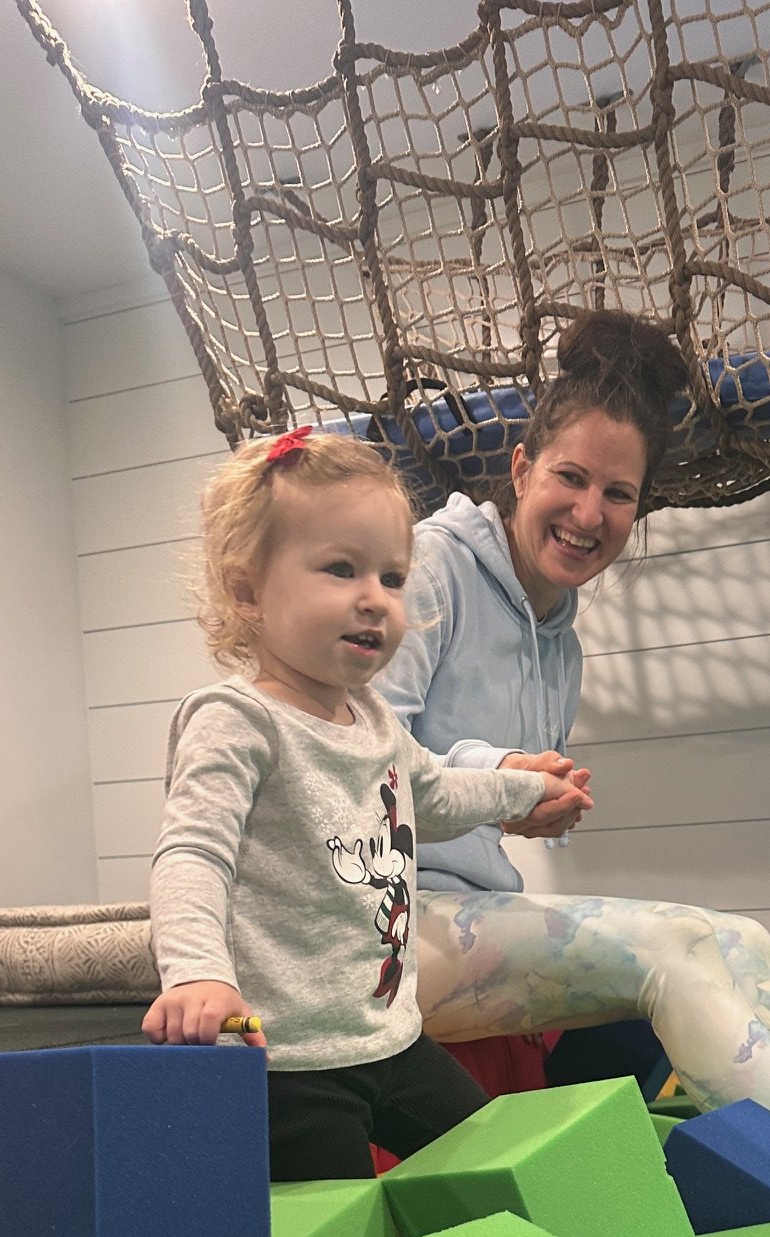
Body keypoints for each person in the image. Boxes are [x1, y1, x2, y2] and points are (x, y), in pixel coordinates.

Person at [378, 308, 770, 1179]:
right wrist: (503, 778)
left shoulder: (561, 644)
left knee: (741, 939)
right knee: (666, 949)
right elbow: (361, 765)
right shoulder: (432, 568)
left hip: (468, 912)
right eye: (570, 478)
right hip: (385, 925)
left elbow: (499, 808)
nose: (588, 513)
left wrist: (532, 805)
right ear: (522, 469)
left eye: (618, 494)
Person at [141, 426, 590, 1181]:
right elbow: (192, 854)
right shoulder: (237, 720)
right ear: (247, 590)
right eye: (341, 570)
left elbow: (435, 791)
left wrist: (526, 787)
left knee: (500, 1168)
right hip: (289, 1064)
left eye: (392, 577)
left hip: (390, 1039)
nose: (374, 599)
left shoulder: (373, 719)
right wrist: (195, 973)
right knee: (340, 1231)